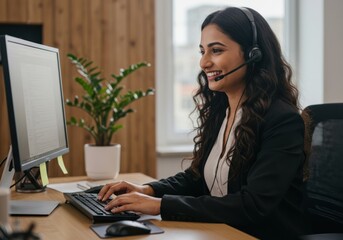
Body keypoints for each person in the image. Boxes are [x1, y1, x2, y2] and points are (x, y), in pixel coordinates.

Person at [98, 7, 309, 240]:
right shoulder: (222, 111)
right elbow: (197, 178)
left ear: (253, 54)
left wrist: (159, 205)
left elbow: (253, 204)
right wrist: (147, 190)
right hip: (223, 233)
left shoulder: (282, 120)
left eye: (216, 50)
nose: (204, 62)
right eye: (202, 51)